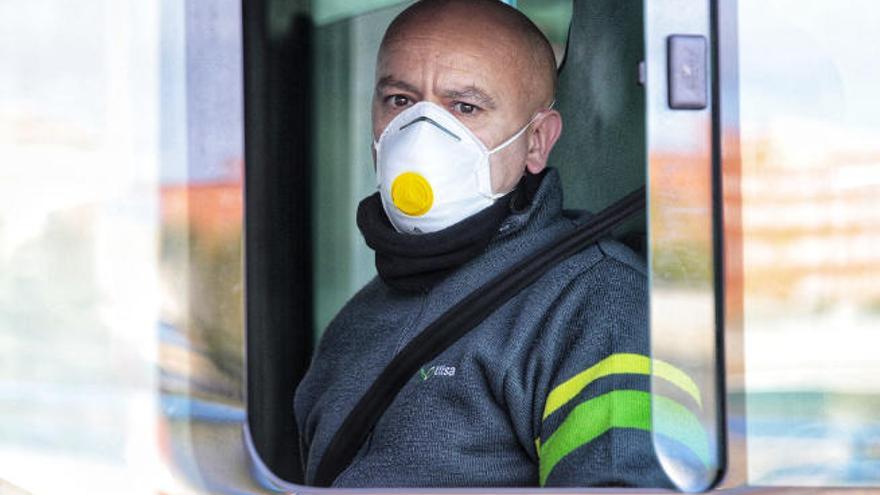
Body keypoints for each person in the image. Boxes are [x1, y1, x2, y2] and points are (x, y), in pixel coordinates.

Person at [295, 0, 703, 487]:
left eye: (465, 107)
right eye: (400, 100)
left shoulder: (597, 307)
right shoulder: (356, 323)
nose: (422, 133)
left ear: (536, 142)